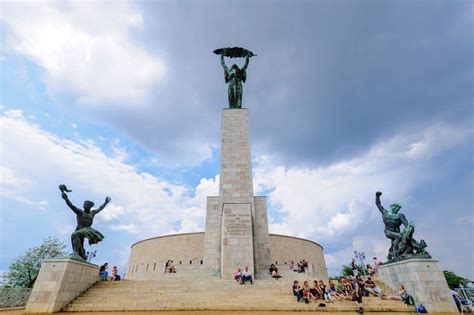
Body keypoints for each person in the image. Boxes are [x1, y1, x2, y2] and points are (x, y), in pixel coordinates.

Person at [61, 190, 111, 260]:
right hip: (79, 228)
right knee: (80, 243)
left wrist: (105, 202)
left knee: (75, 235)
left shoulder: (92, 213)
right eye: (84, 204)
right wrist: (66, 199)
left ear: (90, 206)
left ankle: (75, 253)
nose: (84, 206)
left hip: (88, 229)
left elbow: (100, 208)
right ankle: (82, 255)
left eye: (86, 205)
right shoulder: (79, 212)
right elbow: (71, 205)